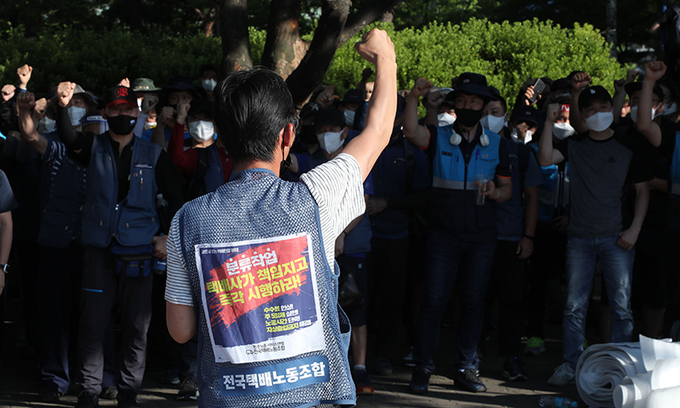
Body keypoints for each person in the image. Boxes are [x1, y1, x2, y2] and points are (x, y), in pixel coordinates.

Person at [164, 28, 397, 408]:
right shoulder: (316, 197)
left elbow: (180, 329)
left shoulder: (188, 220)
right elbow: (378, 131)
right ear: (288, 135)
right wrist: (385, 57)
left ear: (222, 139)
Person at [57, 82, 185, 408]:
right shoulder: (92, 146)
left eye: (129, 109)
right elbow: (68, 137)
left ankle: (129, 391)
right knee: (92, 324)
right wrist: (62, 106)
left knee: (137, 326)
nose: (123, 114)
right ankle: (89, 390)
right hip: (98, 249)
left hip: (139, 251)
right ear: (105, 113)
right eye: (116, 109)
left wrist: (168, 236)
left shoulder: (153, 154)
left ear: (137, 114)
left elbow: (178, 199)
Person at [403, 73, 512, 394]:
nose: (467, 106)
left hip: (481, 238)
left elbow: (507, 190)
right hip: (443, 235)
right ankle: (423, 366)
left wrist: (495, 192)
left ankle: (466, 367)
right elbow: (410, 131)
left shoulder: (497, 143)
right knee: (433, 302)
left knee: (473, 303)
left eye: (474, 102)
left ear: (483, 106)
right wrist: (414, 98)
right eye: (462, 101)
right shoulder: (438, 137)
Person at [538, 87, 651, 387]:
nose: (598, 112)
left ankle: (620, 368)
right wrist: (548, 122)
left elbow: (643, 191)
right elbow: (545, 159)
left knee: (622, 308)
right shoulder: (575, 144)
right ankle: (571, 364)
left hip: (618, 237)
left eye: (603, 106)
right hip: (579, 238)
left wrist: (635, 229)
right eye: (591, 108)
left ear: (612, 109)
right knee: (574, 306)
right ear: (583, 114)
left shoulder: (628, 145)